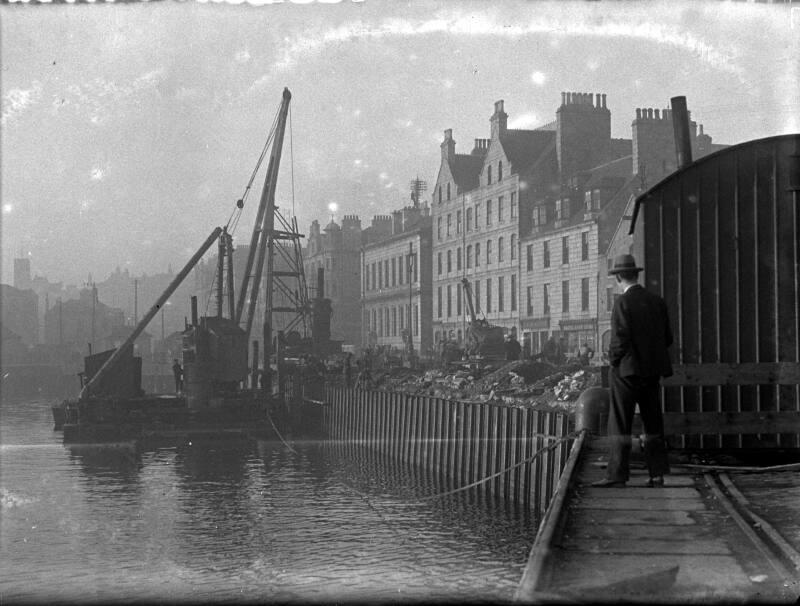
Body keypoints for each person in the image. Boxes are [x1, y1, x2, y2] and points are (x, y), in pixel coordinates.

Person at [593, 254, 673, 488]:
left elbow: (619, 340)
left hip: (626, 372)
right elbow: (668, 338)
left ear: (618, 277)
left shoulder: (622, 303)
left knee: (620, 422)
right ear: (636, 274)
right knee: (653, 422)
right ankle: (657, 474)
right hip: (651, 371)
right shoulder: (657, 301)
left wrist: (613, 361)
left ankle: (617, 475)